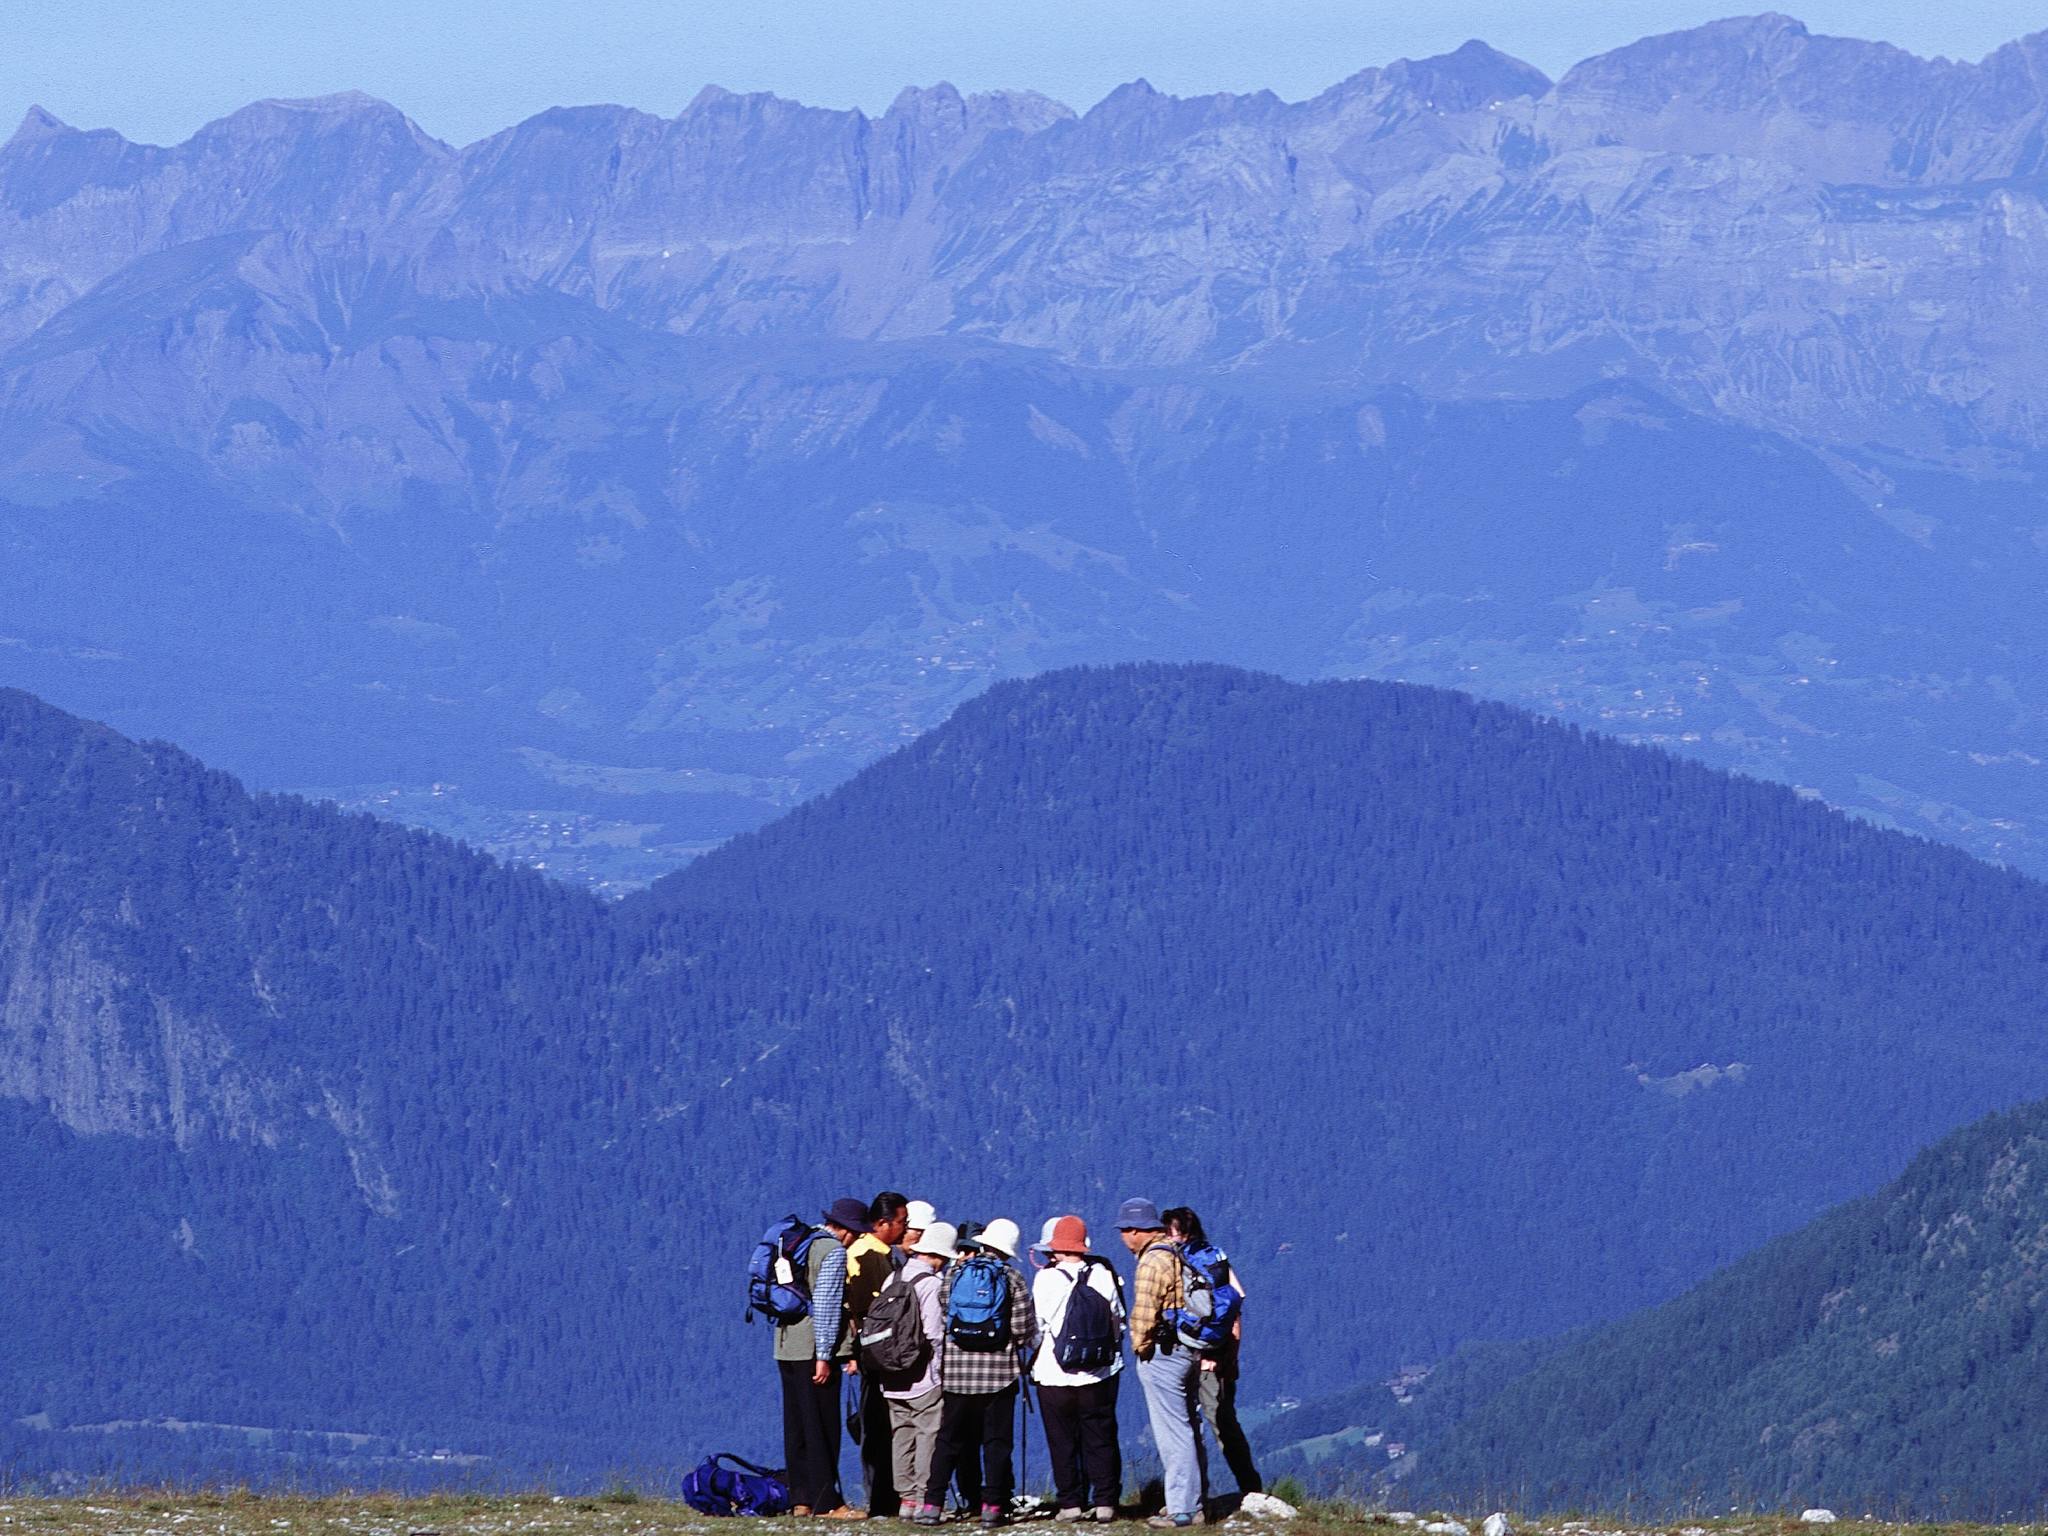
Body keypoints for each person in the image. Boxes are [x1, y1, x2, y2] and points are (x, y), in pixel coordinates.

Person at [920, 1217, 1038, 1529]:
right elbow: (1023, 1328)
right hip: (999, 1375)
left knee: (948, 1440)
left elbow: (946, 1312)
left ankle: (932, 1503)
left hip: (957, 1375)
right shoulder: (1012, 1278)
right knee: (996, 1442)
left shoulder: (954, 1274)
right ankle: (992, 1506)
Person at [776, 1197, 872, 1520]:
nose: (857, 1238)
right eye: (857, 1232)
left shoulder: (796, 1243)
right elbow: (828, 1306)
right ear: (845, 1230)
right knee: (822, 1426)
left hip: (785, 1346)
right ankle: (828, 1502)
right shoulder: (832, 1252)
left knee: (797, 1425)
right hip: (812, 1350)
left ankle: (800, 1499)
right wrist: (825, 1355)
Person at [1118, 1198, 1208, 1530]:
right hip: (1187, 1350)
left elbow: (1143, 1313)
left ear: (1136, 1231)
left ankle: (1181, 1509)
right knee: (1189, 1427)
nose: (1123, 1238)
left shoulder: (1151, 1262)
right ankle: (1196, 1503)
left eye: (1125, 1231)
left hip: (1163, 1354)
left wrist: (1140, 1348)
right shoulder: (1177, 1252)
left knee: (1174, 1433)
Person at [1030, 1216, 1125, 1524]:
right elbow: (1117, 1321)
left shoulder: (1046, 1279)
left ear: (1055, 1248)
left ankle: (1070, 1503)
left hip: (1054, 1374)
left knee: (1062, 1440)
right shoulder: (1104, 1274)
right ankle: (1106, 1501)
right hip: (1099, 1372)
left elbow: (1037, 1328)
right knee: (1100, 1436)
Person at [1162, 1208, 1260, 1498]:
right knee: (1224, 1424)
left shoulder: (1175, 1263)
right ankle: (1251, 1489)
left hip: (1187, 1353)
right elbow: (1235, 1305)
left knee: (1187, 1427)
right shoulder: (1216, 1258)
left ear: (1180, 1233)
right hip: (1217, 1353)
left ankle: (1194, 1496)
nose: (1166, 1237)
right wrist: (1230, 1356)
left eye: (1169, 1231)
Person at [883, 1221, 957, 1524]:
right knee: (928, 1434)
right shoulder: (931, 1283)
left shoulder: (893, 1277)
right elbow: (933, 1334)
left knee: (901, 1435)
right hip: (922, 1376)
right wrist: (940, 1374)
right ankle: (925, 1497)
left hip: (891, 1375)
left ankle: (905, 1499)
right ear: (940, 1255)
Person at [848, 1192, 912, 1516]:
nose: (905, 1227)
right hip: (877, 1356)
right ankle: (882, 1500)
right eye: (901, 1221)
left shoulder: (872, 1252)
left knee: (881, 1426)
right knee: (877, 1427)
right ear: (882, 1223)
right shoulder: (869, 1258)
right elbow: (872, 1310)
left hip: (873, 1354)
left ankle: (886, 1497)